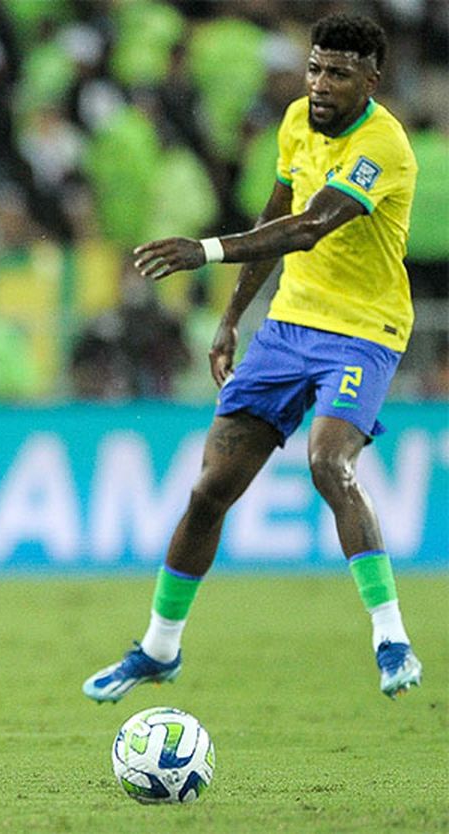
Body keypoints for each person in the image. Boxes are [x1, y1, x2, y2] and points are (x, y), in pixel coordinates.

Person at [83, 14, 422, 703]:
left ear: (371, 80)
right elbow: (276, 215)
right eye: (315, 69)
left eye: (339, 74)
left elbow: (310, 226)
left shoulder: (384, 146)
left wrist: (203, 251)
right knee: (209, 491)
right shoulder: (296, 120)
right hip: (288, 326)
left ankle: (391, 637)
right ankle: (158, 648)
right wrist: (232, 318)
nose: (321, 85)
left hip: (363, 330)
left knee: (329, 462)